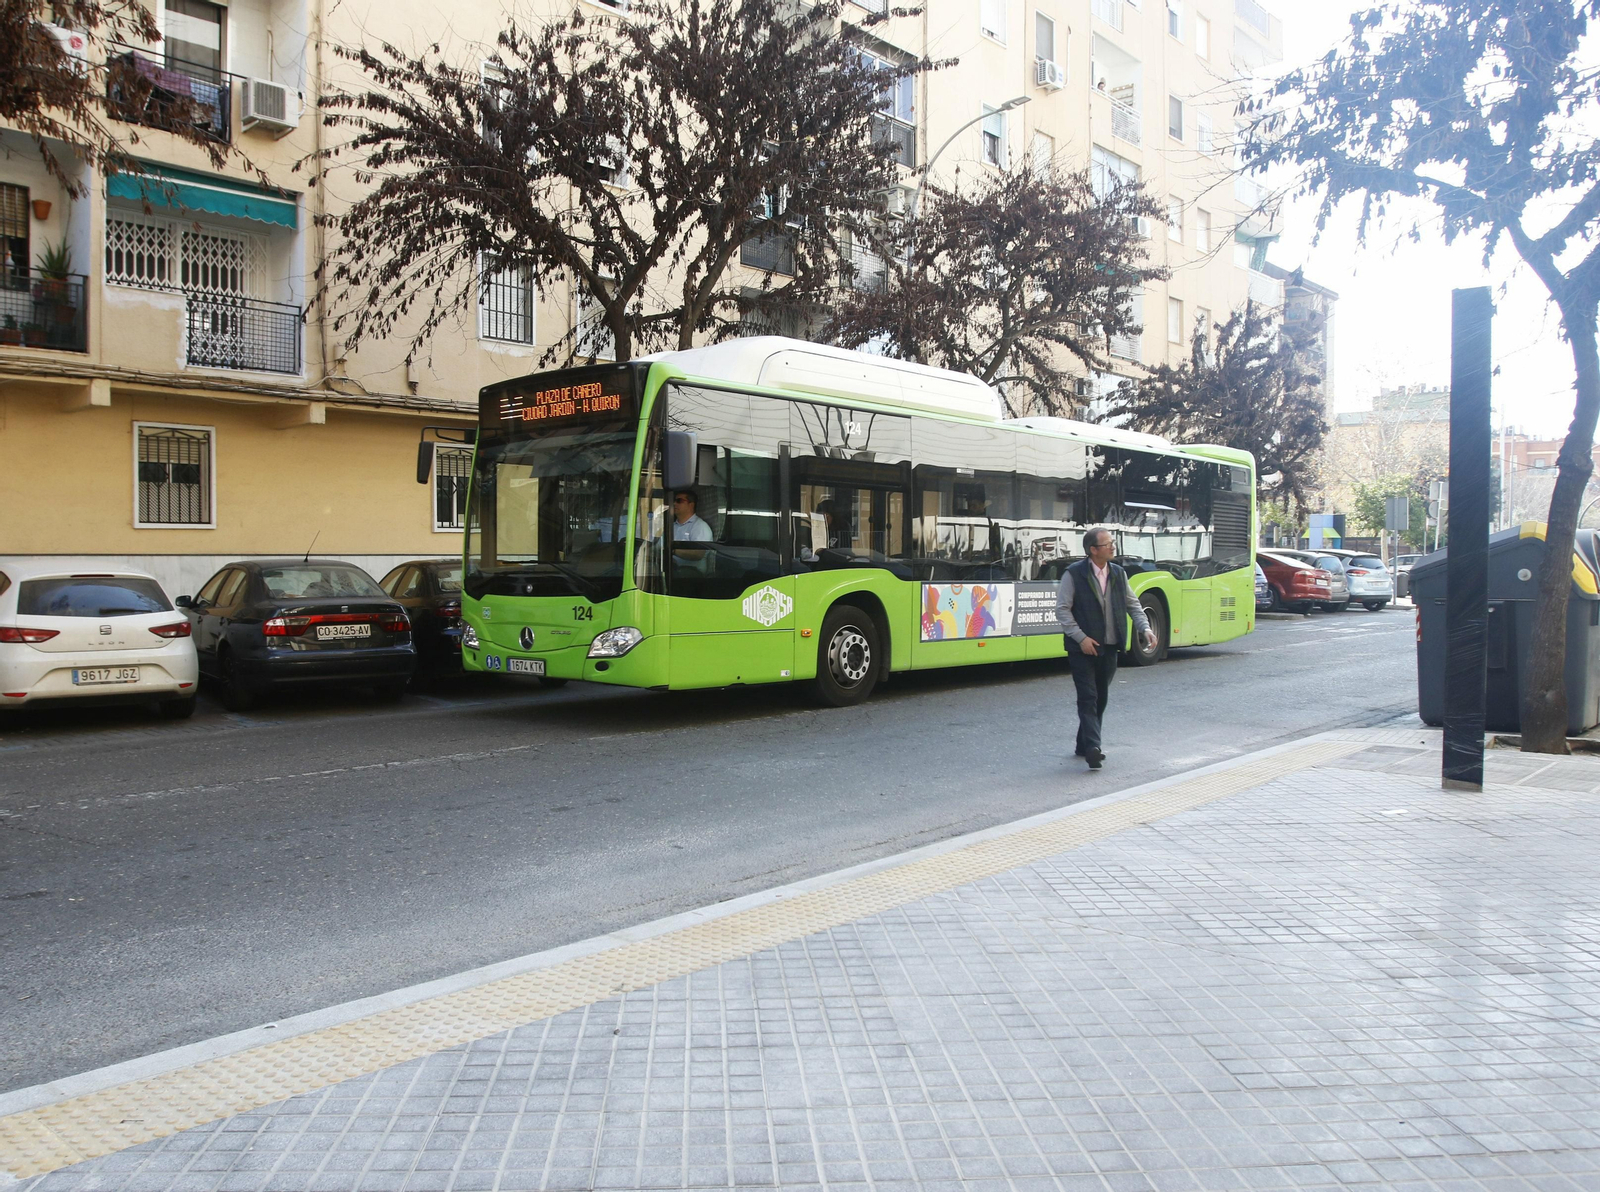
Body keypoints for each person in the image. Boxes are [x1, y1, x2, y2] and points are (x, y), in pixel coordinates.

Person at [1055, 526, 1156, 770]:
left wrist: (1145, 628)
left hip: (1110, 647)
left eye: (1112, 543)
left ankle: (1083, 743)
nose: (1113, 547)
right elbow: (1062, 610)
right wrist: (1081, 638)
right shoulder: (1074, 574)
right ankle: (1093, 749)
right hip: (1082, 649)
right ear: (1093, 550)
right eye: (1107, 544)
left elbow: (1133, 605)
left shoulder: (1119, 574)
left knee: (1100, 698)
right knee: (1088, 697)